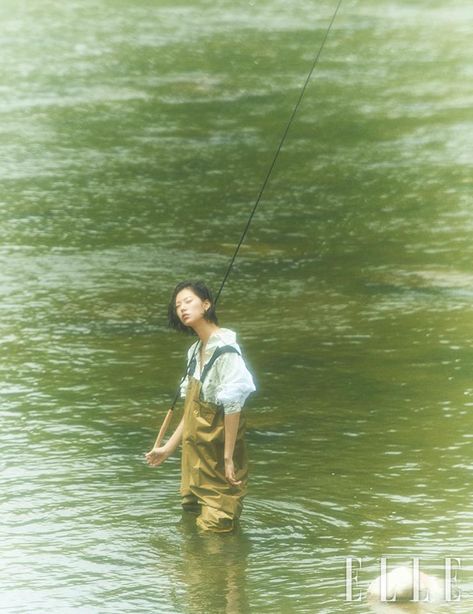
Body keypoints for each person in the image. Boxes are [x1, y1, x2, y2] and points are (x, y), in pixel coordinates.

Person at [145, 280, 255, 533]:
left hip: (218, 460)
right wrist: (168, 449)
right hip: (194, 459)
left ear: (206, 304)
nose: (182, 308)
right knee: (191, 524)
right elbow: (192, 412)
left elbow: (233, 405)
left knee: (218, 530)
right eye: (177, 305)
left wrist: (228, 458)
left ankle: (227, 571)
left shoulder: (226, 350)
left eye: (188, 301)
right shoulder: (195, 351)